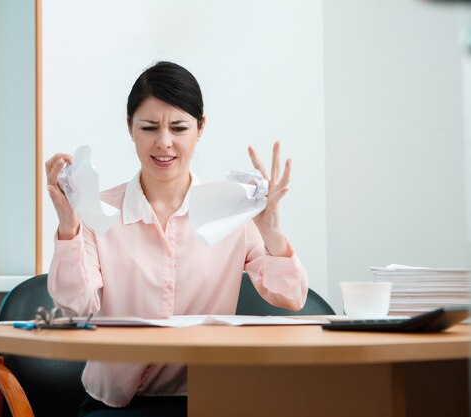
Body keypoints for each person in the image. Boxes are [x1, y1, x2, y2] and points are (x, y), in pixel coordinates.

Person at [45, 61, 308, 416]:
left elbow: (291, 297)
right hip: (116, 405)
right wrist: (68, 225)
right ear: (130, 128)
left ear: (201, 128)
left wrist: (270, 228)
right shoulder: (97, 213)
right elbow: (77, 306)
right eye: (150, 127)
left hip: (210, 402)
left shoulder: (231, 211)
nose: (164, 143)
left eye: (179, 128)